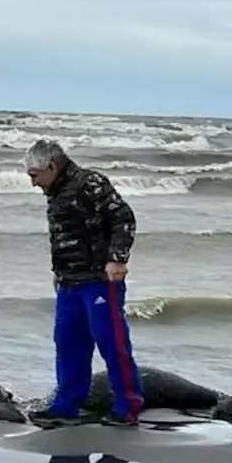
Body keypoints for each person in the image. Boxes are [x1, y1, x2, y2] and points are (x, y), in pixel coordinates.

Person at [23, 138, 145, 428]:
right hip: (69, 282)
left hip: (100, 280)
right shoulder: (55, 191)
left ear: (52, 166)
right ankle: (66, 404)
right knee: (68, 344)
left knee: (112, 343)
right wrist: (59, 270)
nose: (33, 183)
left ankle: (127, 406)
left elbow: (124, 218)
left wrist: (118, 259)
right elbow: (65, 235)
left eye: (35, 176)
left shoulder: (90, 183)